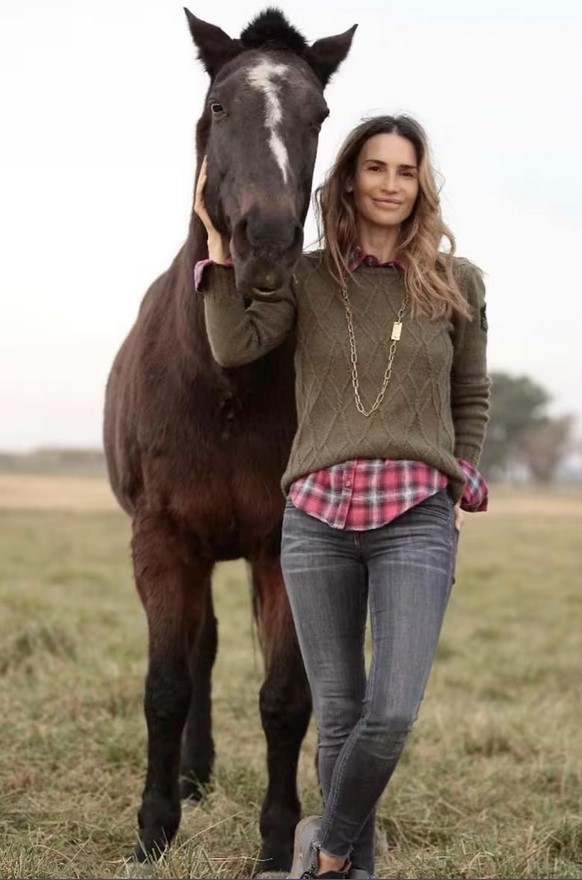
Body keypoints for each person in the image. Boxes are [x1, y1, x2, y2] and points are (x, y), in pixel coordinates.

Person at [194, 115, 490, 880]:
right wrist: (219, 250)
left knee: (389, 713)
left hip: (416, 517)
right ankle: (349, 871)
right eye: (376, 168)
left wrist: (460, 478)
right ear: (350, 181)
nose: (391, 184)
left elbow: (471, 395)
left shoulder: (458, 283)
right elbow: (234, 344)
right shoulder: (308, 278)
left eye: (405, 171)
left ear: (420, 185)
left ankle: (323, 849)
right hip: (317, 520)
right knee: (339, 717)